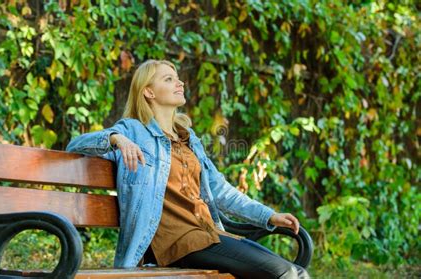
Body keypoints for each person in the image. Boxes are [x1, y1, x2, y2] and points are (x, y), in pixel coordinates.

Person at [66, 59, 310, 278]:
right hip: (176, 242)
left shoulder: (188, 138)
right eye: (168, 79)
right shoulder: (133, 130)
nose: (179, 82)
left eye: (178, 77)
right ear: (148, 91)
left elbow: (220, 190)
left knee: (298, 272)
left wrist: (268, 215)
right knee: (285, 274)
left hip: (207, 234)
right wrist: (116, 139)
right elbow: (75, 145)